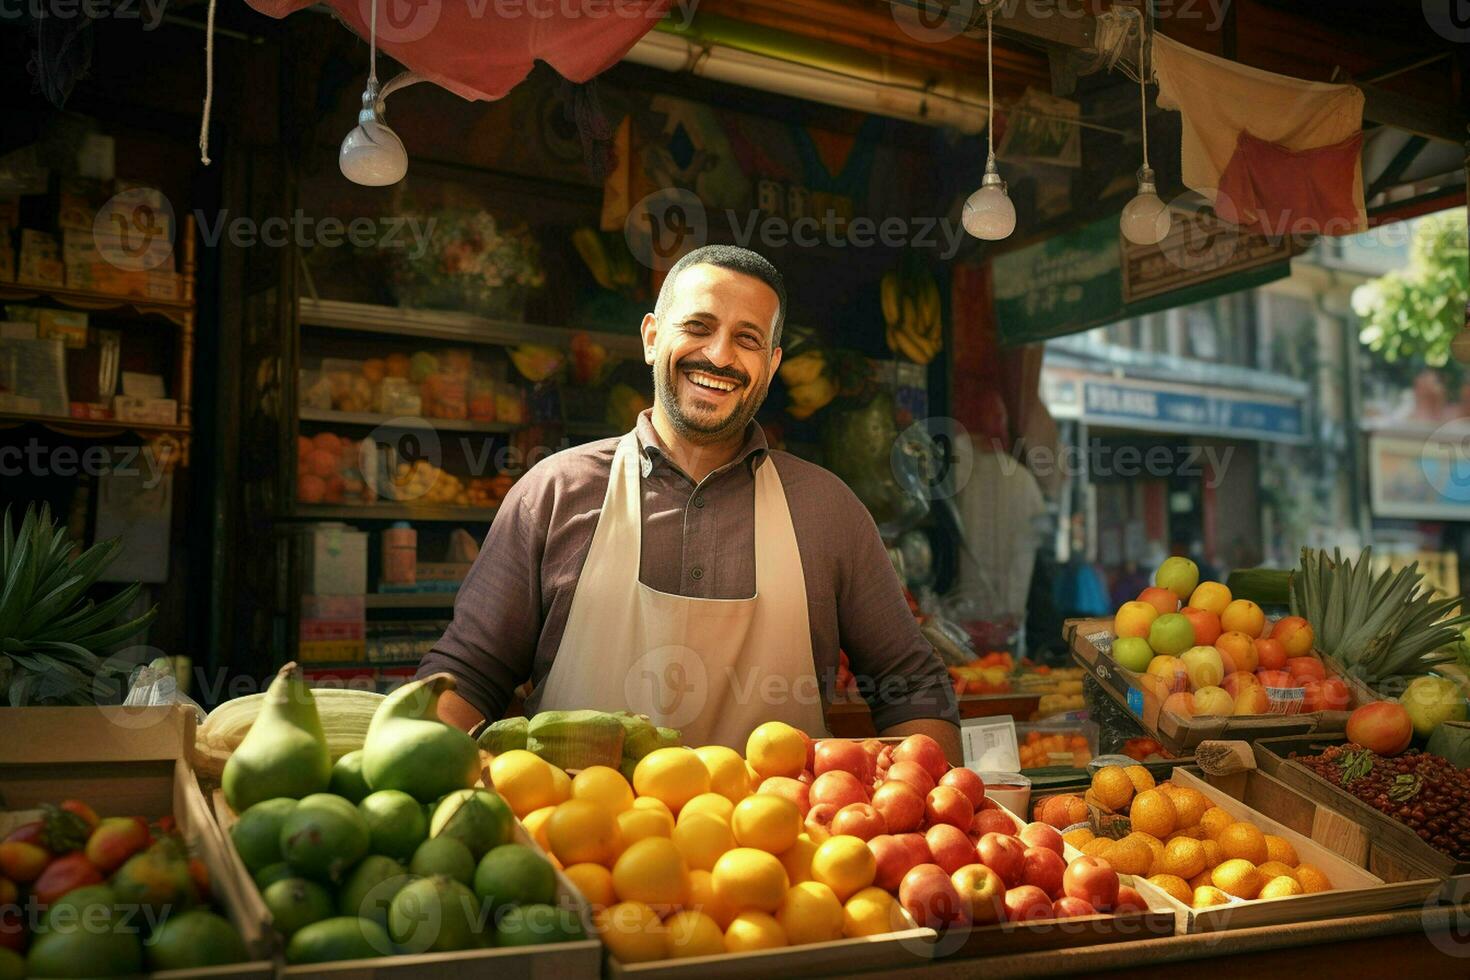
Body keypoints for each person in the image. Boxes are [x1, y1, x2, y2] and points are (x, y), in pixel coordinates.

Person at [419, 244, 961, 758]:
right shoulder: (554, 493)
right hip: (579, 845)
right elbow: (468, 674)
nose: (719, 355)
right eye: (698, 327)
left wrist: (936, 813)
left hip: (779, 851)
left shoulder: (827, 510)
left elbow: (911, 686)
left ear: (771, 366)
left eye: (747, 339)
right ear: (652, 337)